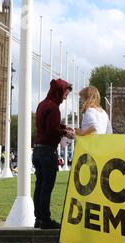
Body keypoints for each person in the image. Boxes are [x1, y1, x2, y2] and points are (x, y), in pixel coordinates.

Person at [33, 79, 75, 229]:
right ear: (59, 92)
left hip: (37, 150)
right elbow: (51, 130)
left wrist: (63, 126)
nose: (65, 97)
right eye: (65, 94)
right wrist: (65, 132)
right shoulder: (54, 108)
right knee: (47, 186)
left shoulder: (42, 105)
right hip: (47, 151)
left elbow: (46, 125)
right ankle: (45, 219)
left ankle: (38, 217)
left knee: (39, 185)